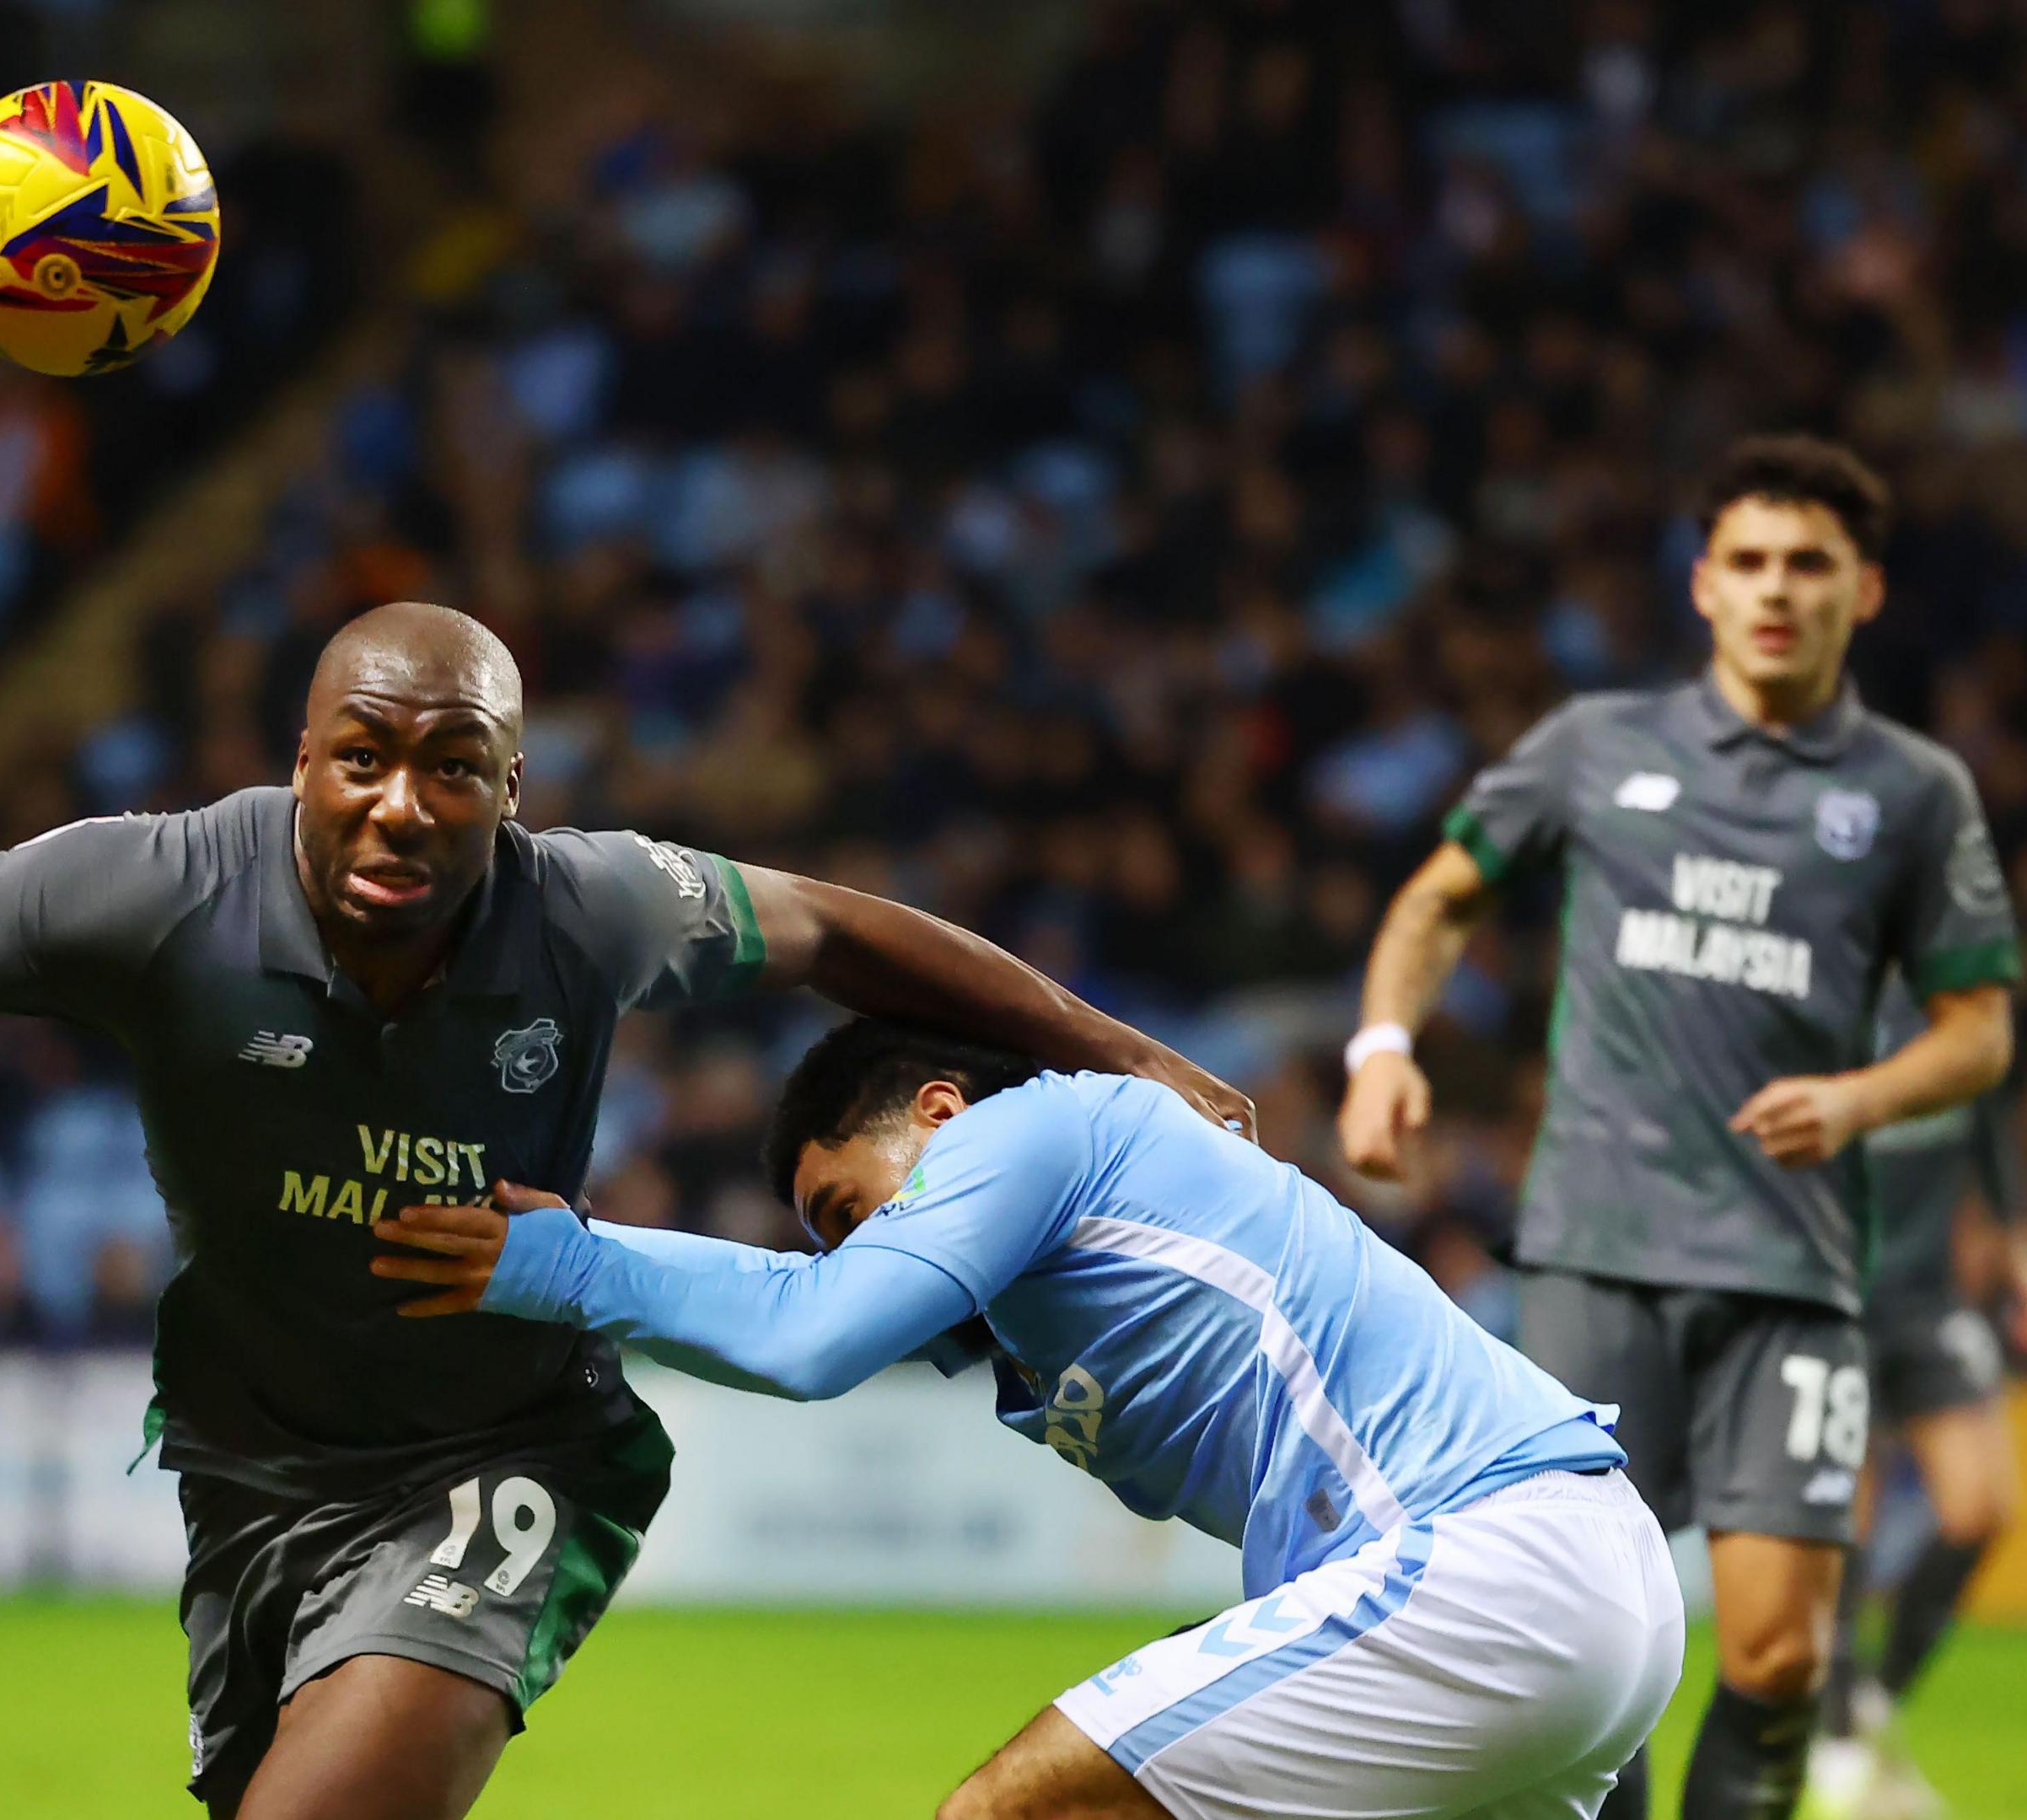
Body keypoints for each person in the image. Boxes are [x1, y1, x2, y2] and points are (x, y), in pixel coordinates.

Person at [0, 600, 1253, 1820]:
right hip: (250, 1469)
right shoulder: (132, 888)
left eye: (451, 768)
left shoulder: (594, 902)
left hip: (502, 1448)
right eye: (362, 757)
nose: (401, 803)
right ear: (296, 760)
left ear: (507, 786)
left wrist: (1119, 1052)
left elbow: (844, 933)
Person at [371, 1019, 1680, 1820]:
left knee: (1014, 1807)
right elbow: (799, 1294)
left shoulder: (1040, 1126)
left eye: (848, 1207)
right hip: (1576, 1593)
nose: (854, 1251)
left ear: (939, 1110)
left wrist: (562, 1262)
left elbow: (811, 1327)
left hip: (1482, 1558)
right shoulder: (1039, 1313)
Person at [1332, 433, 2019, 1820]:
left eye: (1810, 563)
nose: (1778, 588)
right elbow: (1437, 897)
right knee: (1593, 1641)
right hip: (1601, 1255)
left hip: (1795, 1275)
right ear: (1704, 584)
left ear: (1864, 590)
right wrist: (1384, 1045)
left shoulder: (1910, 793)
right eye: (1750, 560)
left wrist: (1860, 1095)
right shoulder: (1599, 749)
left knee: (1778, 1650)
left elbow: (1980, 1030)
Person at [1802, 995, 2020, 1820]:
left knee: (1981, 1505)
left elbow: (1987, 1119)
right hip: (1833, 1295)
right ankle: (1835, 1740)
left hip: (1929, 1296)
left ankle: (1872, 1693)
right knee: (1842, 1517)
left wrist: (2011, 1231)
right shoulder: (1828, 993)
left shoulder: (1960, 1010)